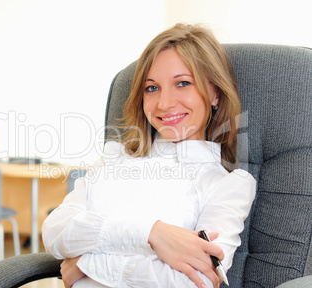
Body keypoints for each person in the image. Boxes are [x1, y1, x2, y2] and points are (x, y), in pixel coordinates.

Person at [42, 23, 256, 288]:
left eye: (183, 83)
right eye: (152, 88)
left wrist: (84, 263)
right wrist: (151, 234)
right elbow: (55, 231)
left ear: (214, 92)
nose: (164, 103)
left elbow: (194, 280)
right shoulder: (114, 157)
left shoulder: (227, 185)